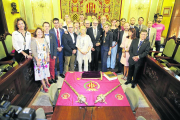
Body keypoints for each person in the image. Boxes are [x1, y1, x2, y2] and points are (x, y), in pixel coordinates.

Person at [31, 27, 51, 93]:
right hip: (38, 58)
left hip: (45, 58)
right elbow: (34, 51)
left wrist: (48, 57)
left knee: (45, 70)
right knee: (40, 72)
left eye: (41, 32)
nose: (40, 33)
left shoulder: (44, 39)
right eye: (38, 32)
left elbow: (47, 49)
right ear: (36, 33)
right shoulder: (34, 40)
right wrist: (37, 60)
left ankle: (47, 82)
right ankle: (44, 86)